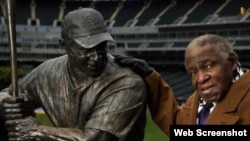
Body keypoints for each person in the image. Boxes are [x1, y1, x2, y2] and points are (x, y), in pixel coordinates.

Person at [0, 7, 148, 141]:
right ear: (64, 46)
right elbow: (7, 94)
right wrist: (5, 102)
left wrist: (36, 131)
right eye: (85, 49)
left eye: (101, 46)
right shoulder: (46, 71)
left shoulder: (128, 83)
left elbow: (94, 139)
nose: (96, 57)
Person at [115, 34, 250, 136]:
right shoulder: (198, 99)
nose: (201, 78)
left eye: (209, 65)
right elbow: (179, 125)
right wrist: (151, 77)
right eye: (193, 73)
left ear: (231, 62)